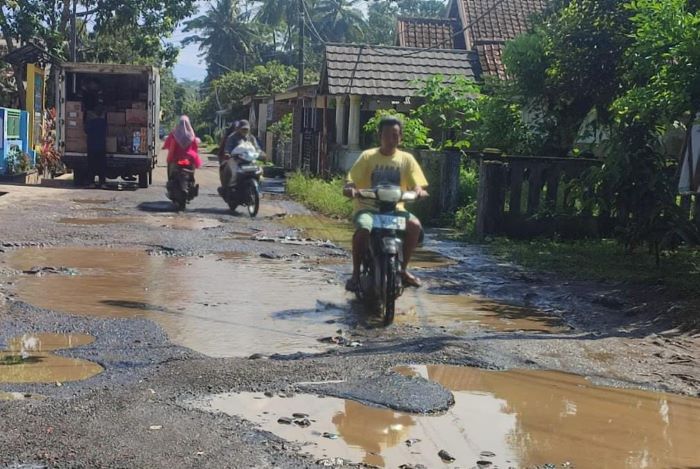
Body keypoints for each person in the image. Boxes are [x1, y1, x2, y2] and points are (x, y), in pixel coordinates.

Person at [343, 116, 429, 292]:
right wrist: (351, 189)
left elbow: (417, 184)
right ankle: (355, 275)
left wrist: (419, 192)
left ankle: (402, 269)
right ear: (379, 136)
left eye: (395, 135)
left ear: (401, 137)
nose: (391, 140)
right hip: (368, 209)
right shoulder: (368, 157)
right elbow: (352, 180)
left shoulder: (407, 159)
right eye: (387, 135)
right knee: (363, 230)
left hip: (396, 210)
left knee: (414, 225)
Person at [219, 120, 263, 195]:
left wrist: (260, 153)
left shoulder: (251, 138)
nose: (245, 130)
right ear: (238, 128)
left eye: (246, 129)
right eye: (243, 129)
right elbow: (228, 147)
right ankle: (230, 188)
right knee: (234, 172)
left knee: (260, 171)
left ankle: (258, 190)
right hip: (236, 159)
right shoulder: (232, 137)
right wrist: (227, 153)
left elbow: (257, 147)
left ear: (249, 129)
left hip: (249, 159)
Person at [162, 115, 203, 186]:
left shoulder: (174, 134)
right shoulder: (191, 134)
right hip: (190, 157)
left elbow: (168, 143)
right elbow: (195, 147)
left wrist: (164, 146)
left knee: (169, 164)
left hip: (175, 157)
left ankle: (170, 181)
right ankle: (192, 181)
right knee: (192, 167)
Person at [85, 104, 107, 189]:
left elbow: (86, 130)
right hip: (101, 146)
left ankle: (91, 182)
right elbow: (106, 131)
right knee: (102, 165)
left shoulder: (91, 122)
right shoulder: (103, 123)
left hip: (91, 146)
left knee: (91, 166)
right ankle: (103, 183)